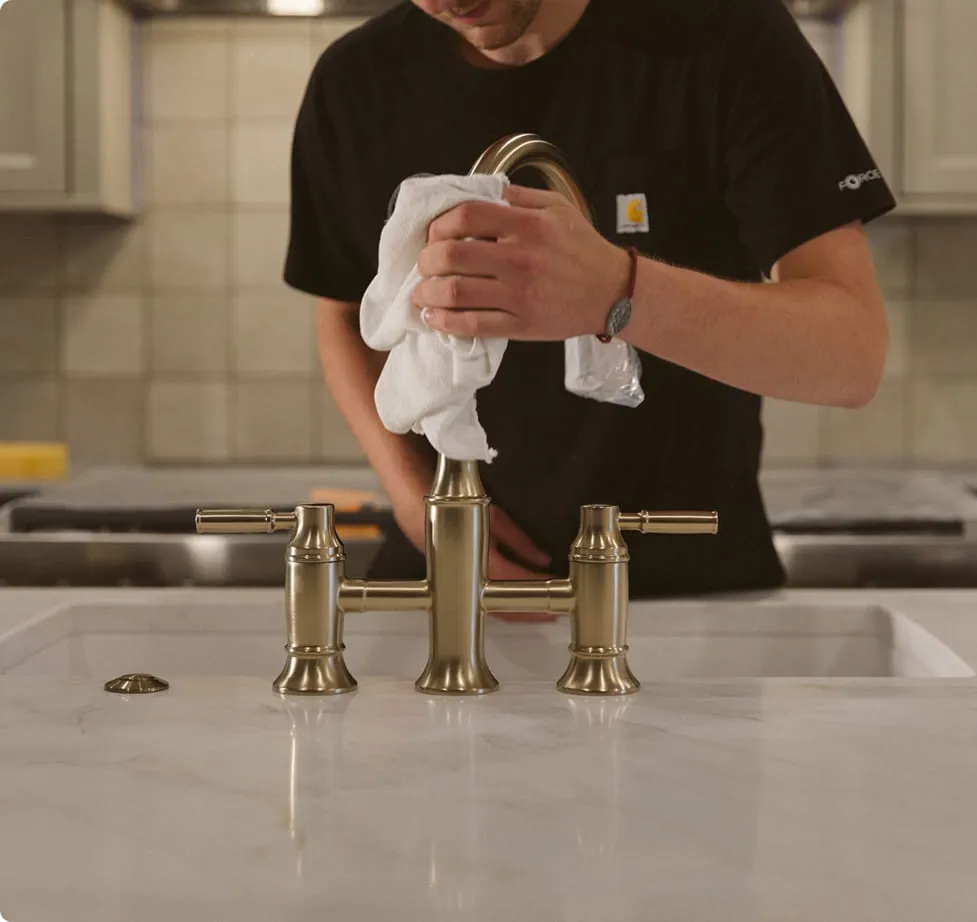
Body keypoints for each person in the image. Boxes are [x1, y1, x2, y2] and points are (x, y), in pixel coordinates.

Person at [283, 0, 895, 614]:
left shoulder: (725, 32)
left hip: (682, 596)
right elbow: (344, 313)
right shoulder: (355, 81)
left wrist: (619, 291)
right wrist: (417, 502)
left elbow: (851, 355)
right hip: (448, 583)